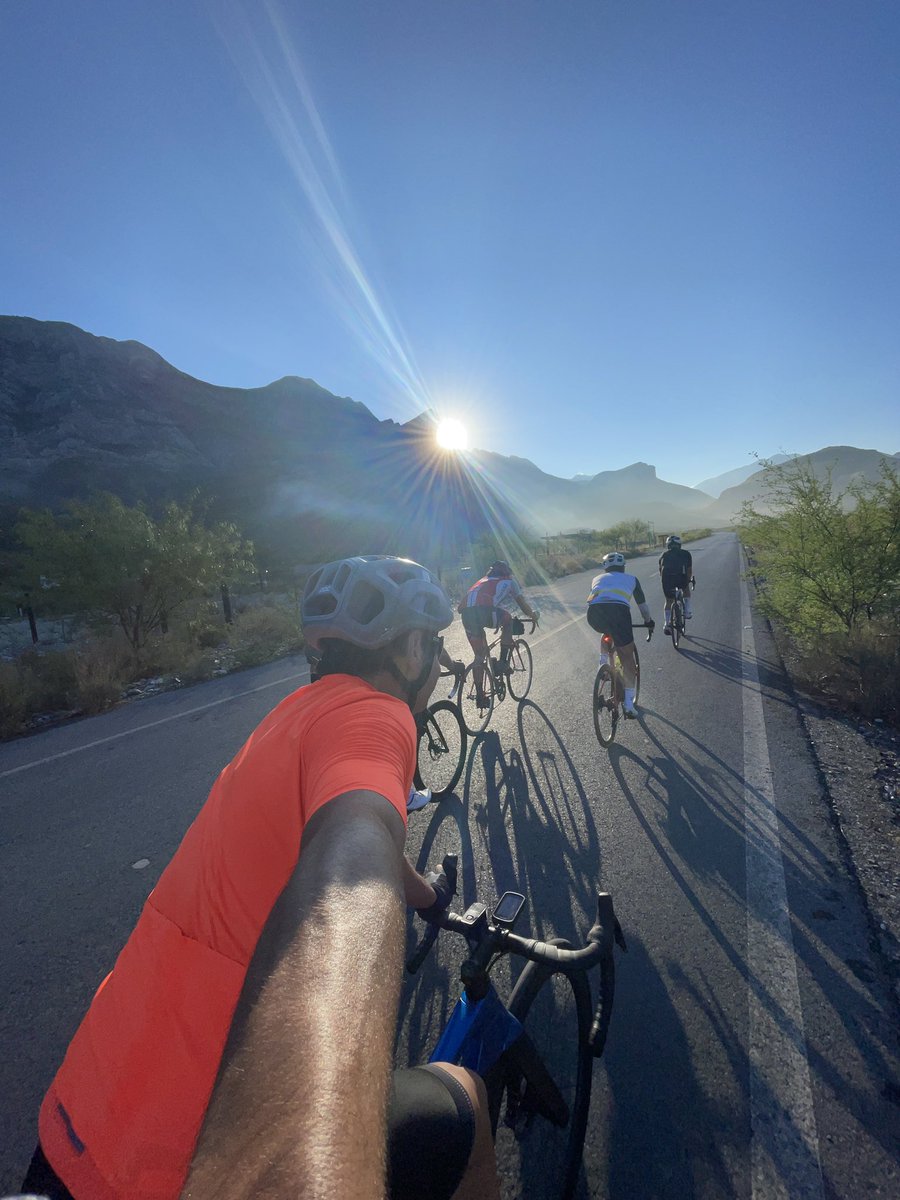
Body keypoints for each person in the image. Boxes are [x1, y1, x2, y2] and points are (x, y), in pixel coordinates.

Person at [21, 554, 500, 1200]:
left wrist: (425, 894)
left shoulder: (291, 715)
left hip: (78, 1124)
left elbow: (353, 832)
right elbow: (353, 853)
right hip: (205, 1153)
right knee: (466, 1098)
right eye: (435, 648)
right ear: (413, 650)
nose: (440, 666)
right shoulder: (379, 715)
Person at [458, 561, 539, 702]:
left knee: (479, 656)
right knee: (508, 620)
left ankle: (480, 695)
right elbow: (522, 604)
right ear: (507, 571)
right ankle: (502, 662)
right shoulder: (509, 581)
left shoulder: (483, 580)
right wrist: (532, 615)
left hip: (466, 614)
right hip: (484, 611)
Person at [586, 551, 654, 718]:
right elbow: (643, 607)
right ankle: (629, 705)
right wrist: (648, 621)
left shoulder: (596, 579)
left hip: (594, 614)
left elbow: (591, 598)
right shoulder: (632, 579)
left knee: (606, 632)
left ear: (605, 567)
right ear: (623, 567)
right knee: (627, 658)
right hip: (619, 612)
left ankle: (602, 665)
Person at [658, 534, 694, 632]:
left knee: (668, 601)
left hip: (667, 580)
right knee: (686, 590)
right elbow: (689, 571)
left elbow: (661, 572)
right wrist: (688, 580)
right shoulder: (686, 554)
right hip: (681, 578)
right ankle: (687, 612)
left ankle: (666, 624)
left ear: (668, 545)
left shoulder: (663, 555)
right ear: (679, 545)